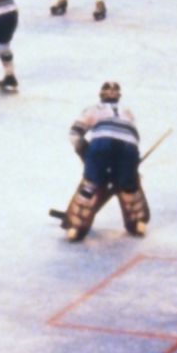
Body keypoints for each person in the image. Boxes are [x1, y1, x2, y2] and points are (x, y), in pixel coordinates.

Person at [59, 81, 148, 242]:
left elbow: (74, 134)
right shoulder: (127, 112)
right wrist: (131, 167)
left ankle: (75, 226)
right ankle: (137, 222)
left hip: (102, 143)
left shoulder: (93, 109)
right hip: (129, 146)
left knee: (90, 186)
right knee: (129, 185)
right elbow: (134, 136)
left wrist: (87, 156)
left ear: (100, 94)